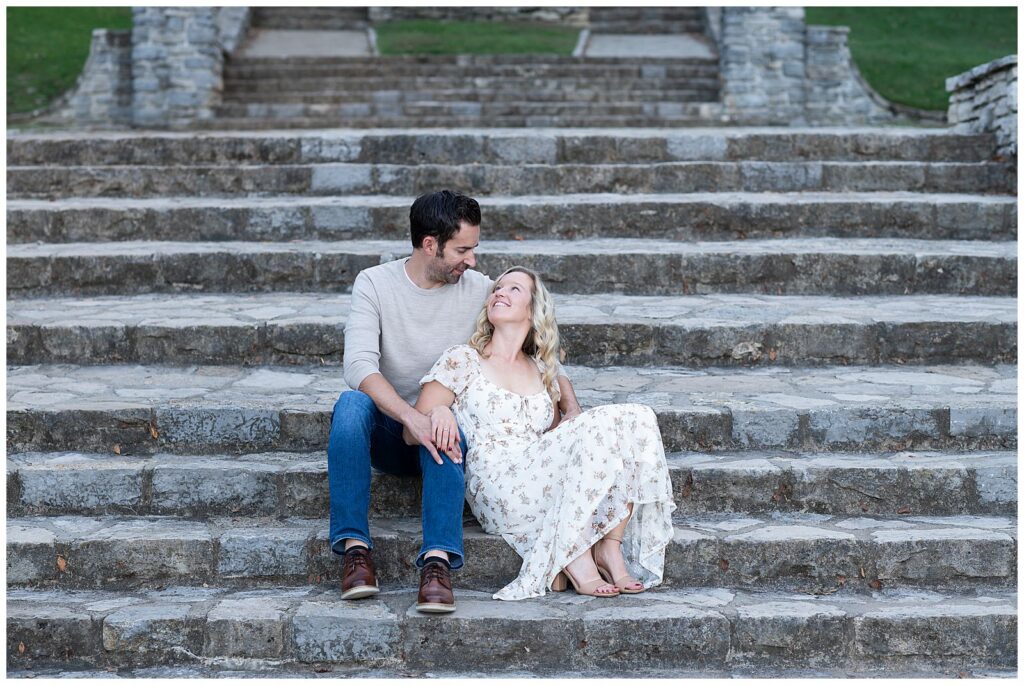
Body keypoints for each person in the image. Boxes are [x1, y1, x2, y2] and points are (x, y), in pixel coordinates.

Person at [328, 191, 583, 613]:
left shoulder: (479, 289)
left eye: (473, 249)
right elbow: (358, 365)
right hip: (394, 430)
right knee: (351, 405)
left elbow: (537, 351)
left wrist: (570, 408)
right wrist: (414, 416)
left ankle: (437, 563)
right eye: (463, 250)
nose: (472, 260)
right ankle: (356, 551)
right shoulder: (374, 283)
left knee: (451, 428)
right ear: (430, 245)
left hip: (450, 435)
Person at [409, 266, 675, 600]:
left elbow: (556, 441)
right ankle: (578, 558)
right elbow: (410, 432)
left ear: (533, 310)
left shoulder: (542, 371)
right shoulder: (462, 359)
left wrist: (573, 416)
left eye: (514, 289)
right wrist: (439, 410)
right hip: (496, 481)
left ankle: (610, 547)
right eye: (498, 288)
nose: (500, 292)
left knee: (637, 417)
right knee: (618, 421)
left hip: (535, 472)